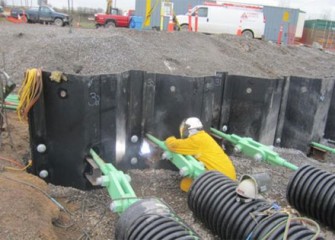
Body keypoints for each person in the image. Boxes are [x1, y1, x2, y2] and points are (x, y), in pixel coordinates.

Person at [165, 117, 236, 192]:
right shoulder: (204, 137)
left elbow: (173, 145)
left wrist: (169, 138)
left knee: (185, 185)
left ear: (189, 130)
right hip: (230, 179)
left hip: (220, 182)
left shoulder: (196, 140)